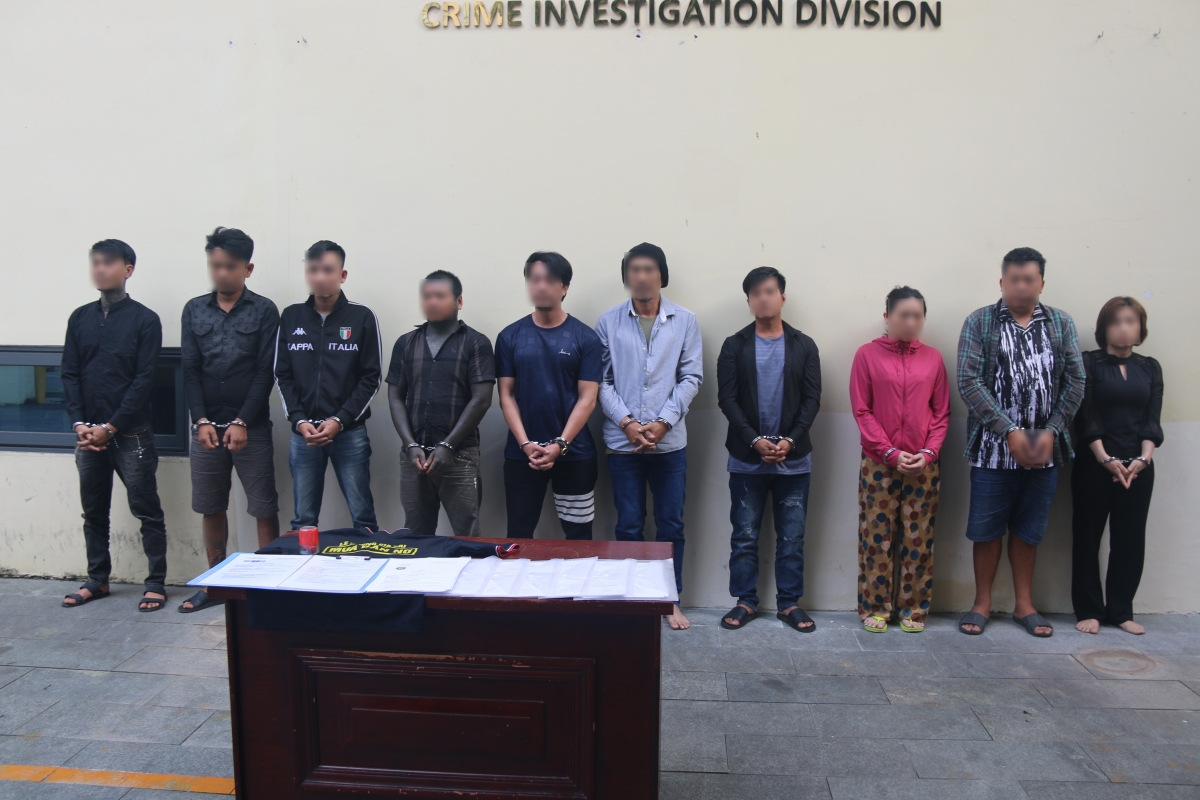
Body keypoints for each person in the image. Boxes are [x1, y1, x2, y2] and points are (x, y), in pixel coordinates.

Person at [957, 247, 1085, 637]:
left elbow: (1076, 381)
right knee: (986, 530)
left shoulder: (1060, 323)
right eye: (1014, 279)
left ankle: (1024, 605)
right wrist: (1009, 431)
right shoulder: (980, 322)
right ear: (1002, 282)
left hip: (1045, 449)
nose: (1021, 286)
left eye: (1029, 279)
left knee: (1029, 531)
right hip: (992, 449)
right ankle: (982, 603)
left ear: (1041, 283)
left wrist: (1051, 430)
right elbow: (968, 382)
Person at [596, 242, 702, 631]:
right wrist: (627, 422)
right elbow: (601, 381)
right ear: (627, 276)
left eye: (649, 269)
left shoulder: (685, 320)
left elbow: (692, 376)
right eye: (634, 269)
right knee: (629, 525)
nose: (641, 276)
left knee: (671, 525)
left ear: (661, 275)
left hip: (668, 444)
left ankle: (669, 600)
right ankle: (632, 599)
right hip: (622, 444)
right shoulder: (608, 322)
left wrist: (663, 422)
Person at [61, 239, 168, 612]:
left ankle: (155, 583)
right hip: (88, 434)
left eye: (108, 262)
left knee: (146, 510)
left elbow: (144, 380)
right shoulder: (79, 318)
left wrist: (111, 426)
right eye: (95, 262)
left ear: (127, 270)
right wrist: (80, 424)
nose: (100, 269)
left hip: (130, 433)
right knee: (93, 512)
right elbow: (69, 373)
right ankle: (97, 580)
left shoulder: (144, 320)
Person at [178, 227, 281, 613]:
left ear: (247, 269)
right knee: (211, 505)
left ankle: (268, 586)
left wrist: (242, 421)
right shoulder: (194, 309)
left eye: (230, 266)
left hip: (251, 428)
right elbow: (190, 370)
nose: (221, 272)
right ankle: (215, 583)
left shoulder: (265, 310)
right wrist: (200, 420)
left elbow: (265, 372)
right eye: (215, 265)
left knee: (263, 506)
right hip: (206, 428)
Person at [716, 267, 820, 634]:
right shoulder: (735, 345)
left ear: (782, 297)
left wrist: (790, 440)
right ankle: (745, 600)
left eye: (770, 291)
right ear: (749, 300)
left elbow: (812, 400)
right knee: (744, 535)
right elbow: (727, 399)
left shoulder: (804, 345)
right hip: (747, 459)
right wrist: (754, 440)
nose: (764, 298)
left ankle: (789, 603)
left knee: (792, 537)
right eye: (756, 293)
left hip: (795, 460)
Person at [849, 286, 949, 633]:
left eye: (917, 316)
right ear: (887, 316)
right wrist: (889, 452)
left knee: (919, 539)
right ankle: (876, 608)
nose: (910, 322)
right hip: (879, 463)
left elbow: (941, 412)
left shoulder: (933, 358)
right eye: (903, 315)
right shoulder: (866, 355)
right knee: (876, 537)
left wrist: (928, 453)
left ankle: (914, 609)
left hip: (923, 465)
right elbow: (862, 410)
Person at [275, 240, 383, 532]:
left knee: (363, 517)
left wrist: (339, 420)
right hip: (304, 435)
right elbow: (282, 374)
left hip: (348, 432)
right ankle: (305, 562)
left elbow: (371, 378)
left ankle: (365, 559)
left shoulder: (361, 317)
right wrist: (299, 420)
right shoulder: (291, 316)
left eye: (327, 270)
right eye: (313, 270)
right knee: (303, 520)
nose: (320, 277)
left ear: (342, 275)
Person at [1072, 297, 1163, 635]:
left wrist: (1143, 458)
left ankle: (1121, 610)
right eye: (1116, 321)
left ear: (1140, 327)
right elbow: (1085, 416)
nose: (1124, 328)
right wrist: (1105, 458)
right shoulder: (1088, 363)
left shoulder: (1150, 367)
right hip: (1095, 464)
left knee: (1130, 540)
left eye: (1130, 321)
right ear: (1104, 328)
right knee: (1087, 537)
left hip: (1138, 467)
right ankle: (1089, 610)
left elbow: (1152, 419)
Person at [495, 252, 602, 540]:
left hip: (574, 454)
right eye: (534, 279)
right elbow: (506, 396)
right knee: (519, 534)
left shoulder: (586, 338)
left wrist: (560, 444)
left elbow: (588, 399)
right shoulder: (509, 337)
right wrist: (525, 443)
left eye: (550, 280)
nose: (541, 286)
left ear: (564, 287)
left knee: (579, 537)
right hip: (522, 455)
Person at [387, 270, 495, 536]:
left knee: (467, 533)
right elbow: (396, 396)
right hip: (415, 456)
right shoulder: (406, 343)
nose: (432, 302)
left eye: (440, 296)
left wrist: (448, 445)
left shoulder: (476, 343)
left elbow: (482, 399)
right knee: (415, 535)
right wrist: (409, 444)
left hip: (459, 455)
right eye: (426, 296)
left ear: (459, 301)